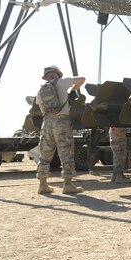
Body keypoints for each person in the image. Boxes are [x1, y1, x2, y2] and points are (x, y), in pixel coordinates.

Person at [36, 65, 86, 195]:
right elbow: (82, 79)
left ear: (46, 76)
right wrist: (74, 90)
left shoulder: (41, 90)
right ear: (57, 73)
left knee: (45, 154)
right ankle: (68, 185)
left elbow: (42, 108)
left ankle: (42, 185)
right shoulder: (62, 82)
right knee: (66, 153)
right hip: (62, 122)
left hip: (46, 122)